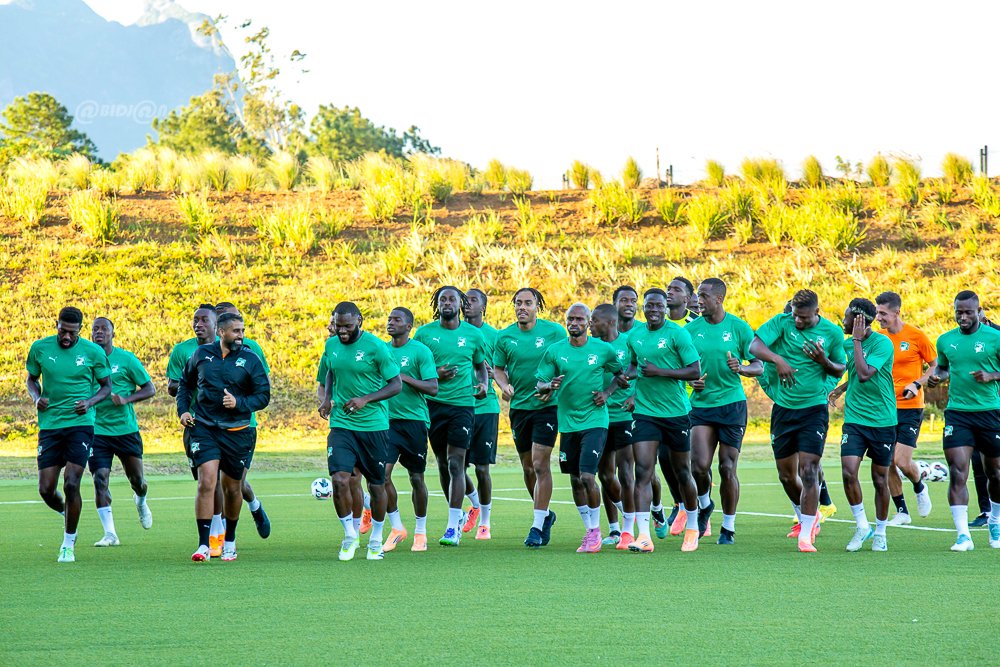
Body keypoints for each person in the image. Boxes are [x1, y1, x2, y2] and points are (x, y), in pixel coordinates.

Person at [750, 289, 846, 552]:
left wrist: (823, 360)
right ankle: (810, 515)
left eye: (803, 317)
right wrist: (778, 359)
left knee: (809, 470)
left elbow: (841, 367)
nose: (798, 321)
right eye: (795, 315)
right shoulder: (782, 323)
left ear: (817, 312)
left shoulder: (832, 333)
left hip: (813, 410)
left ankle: (806, 533)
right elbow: (754, 346)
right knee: (786, 475)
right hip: (784, 410)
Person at [176, 312, 270, 562]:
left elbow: (263, 396)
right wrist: (183, 410)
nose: (241, 335)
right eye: (236, 331)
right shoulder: (201, 354)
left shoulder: (251, 359)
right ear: (221, 332)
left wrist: (239, 403)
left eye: (242, 330)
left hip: (237, 431)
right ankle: (203, 545)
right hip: (204, 428)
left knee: (232, 488)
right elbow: (185, 384)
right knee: (206, 482)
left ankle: (229, 540)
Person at [535, 303, 628, 552]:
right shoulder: (555, 351)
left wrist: (607, 393)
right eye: (570, 319)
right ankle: (591, 530)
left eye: (579, 319)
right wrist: (549, 386)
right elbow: (540, 384)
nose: (574, 323)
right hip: (568, 424)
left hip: (595, 421)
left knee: (588, 476)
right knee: (576, 480)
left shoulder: (603, 349)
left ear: (589, 322)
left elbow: (621, 376)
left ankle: (603, 531)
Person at [26, 306, 112, 562]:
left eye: (72, 333)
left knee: (72, 482)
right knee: (46, 489)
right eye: (62, 331)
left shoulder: (93, 352)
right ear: (57, 325)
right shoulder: (40, 348)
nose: (66, 336)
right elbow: (31, 379)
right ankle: (68, 512)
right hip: (50, 425)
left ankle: (68, 543)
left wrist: (90, 402)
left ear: (80, 330)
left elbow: (106, 387)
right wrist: (36, 397)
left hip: (80, 424)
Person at [318, 302, 401, 561]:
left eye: (347, 326)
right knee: (340, 479)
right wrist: (327, 398)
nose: (342, 331)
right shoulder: (331, 345)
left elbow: (396, 385)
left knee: (376, 485)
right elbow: (330, 372)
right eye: (338, 326)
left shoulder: (375, 347)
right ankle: (349, 536)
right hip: (342, 424)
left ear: (359, 321)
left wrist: (366, 399)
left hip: (373, 426)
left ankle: (376, 539)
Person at [624, 289, 702, 553]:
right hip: (646, 413)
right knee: (643, 471)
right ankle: (644, 536)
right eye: (649, 306)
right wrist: (624, 376)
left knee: (682, 472)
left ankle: (693, 527)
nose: (654, 310)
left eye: (659, 305)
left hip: (676, 413)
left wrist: (660, 372)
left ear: (665, 308)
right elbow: (634, 366)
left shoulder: (678, 334)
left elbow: (695, 370)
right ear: (643, 308)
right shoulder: (635, 336)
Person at [686, 279, 762, 545]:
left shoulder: (738, 327)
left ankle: (728, 527)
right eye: (698, 295)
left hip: (731, 405)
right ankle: (705, 504)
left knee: (727, 467)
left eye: (704, 296)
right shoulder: (690, 330)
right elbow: (684, 369)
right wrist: (692, 381)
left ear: (719, 299)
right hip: (701, 405)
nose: (699, 300)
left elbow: (759, 365)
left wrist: (742, 368)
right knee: (698, 466)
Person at [413, 287, 488, 546]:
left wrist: (483, 384)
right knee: (443, 464)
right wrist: (435, 373)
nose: (447, 303)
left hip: (462, 406)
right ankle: (458, 516)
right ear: (437, 304)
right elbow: (413, 367)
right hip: (432, 406)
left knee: (457, 464)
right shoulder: (424, 334)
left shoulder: (473, 335)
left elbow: (480, 366)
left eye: (451, 299)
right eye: (442, 299)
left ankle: (451, 527)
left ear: (460, 304)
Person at [493, 288, 568, 548]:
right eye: (518, 303)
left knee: (539, 464)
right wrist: (504, 385)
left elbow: (566, 362)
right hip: (520, 408)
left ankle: (536, 526)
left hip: (547, 406)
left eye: (528, 303)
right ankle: (545, 515)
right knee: (527, 468)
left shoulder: (554, 332)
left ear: (538, 306)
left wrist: (553, 387)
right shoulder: (504, 336)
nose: (522, 307)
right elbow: (498, 369)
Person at [926, 291, 1000, 551]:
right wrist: (937, 376)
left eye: (969, 312)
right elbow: (944, 367)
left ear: (979, 311)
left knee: (996, 473)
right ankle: (963, 536)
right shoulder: (945, 340)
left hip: (990, 412)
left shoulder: (995, 337)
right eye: (959, 312)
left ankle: (995, 520)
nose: (963, 317)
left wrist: (992, 375)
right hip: (958, 413)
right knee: (958, 471)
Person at [89, 317, 156, 547]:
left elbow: (149, 389)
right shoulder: (86, 361)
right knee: (100, 479)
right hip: (97, 430)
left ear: (112, 334)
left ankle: (141, 500)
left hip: (125, 430)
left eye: (104, 329)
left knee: (137, 480)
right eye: (95, 329)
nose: (99, 332)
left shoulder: (126, 359)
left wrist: (126, 399)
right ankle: (110, 534)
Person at [837, 299, 897, 552]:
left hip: (882, 420)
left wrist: (857, 341)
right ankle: (862, 526)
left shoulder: (882, 343)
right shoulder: (846, 343)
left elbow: (864, 374)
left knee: (879, 479)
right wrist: (840, 389)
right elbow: (854, 374)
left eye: (847, 317)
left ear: (859, 321)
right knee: (848, 471)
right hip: (855, 419)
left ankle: (880, 532)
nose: (843, 321)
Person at [167, 304, 227, 555]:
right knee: (206, 480)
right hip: (197, 423)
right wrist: (193, 381)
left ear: (216, 325)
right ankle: (215, 531)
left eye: (204, 320)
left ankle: (218, 532)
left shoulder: (230, 349)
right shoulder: (183, 351)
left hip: (226, 424)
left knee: (220, 479)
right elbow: (173, 386)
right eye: (195, 320)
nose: (198, 324)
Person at [871, 291, 936, 525]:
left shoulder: (916, 336)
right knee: (886, 460)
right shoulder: (878, 338)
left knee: (901, 461)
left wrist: (917, 383)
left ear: (897, 312)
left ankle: (919, 486)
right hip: (885, 408)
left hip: (910, 407)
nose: (878, 318)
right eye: (877, 313)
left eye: (883, 313)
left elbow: (935, 366)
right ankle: (902, 512)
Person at [215, 303, 272, 539]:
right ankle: (219, 536)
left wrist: (239, 401)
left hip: (242, 425)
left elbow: (263, 386)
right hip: (210, 427)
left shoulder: (250, 348)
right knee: (213, 482)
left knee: (234, 483)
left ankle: (254, 506)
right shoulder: (203, 351)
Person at [383, 307, 438, 552]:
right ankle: (397, 527)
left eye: (397, 319)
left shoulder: (420, 351)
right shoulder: (382, 350)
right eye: (389, 319)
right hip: (387, 422)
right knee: (381, 476)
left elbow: (433, 387)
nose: (390, 322)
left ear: (408, 326)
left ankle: (420, 532)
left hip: (414, 422)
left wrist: (404, 378)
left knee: (416, 478)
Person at [591, 301, 635, 548]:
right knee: (605, 475)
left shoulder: (629, 343)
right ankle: (615, 527)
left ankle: (628, 529)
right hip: (600, 418)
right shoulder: (592, 346)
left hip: (625, 416)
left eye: (594, 320)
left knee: (626, 472)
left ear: (609, 322)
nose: (590, 324)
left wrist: (634, 396)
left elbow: (640, 373)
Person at [661, 276, 699, 536]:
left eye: (676, 289)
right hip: (662, 402)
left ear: (688, 297)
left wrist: (701, 380)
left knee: (693, 462)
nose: (669, 292)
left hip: (693, 403)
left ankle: (699, 506)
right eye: (668, 288)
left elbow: (705, 357)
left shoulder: (695, 324)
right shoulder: (655, 324)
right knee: (664, 457)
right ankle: (680, 504)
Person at [462, 288, 500, 539]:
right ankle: (474, 504)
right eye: (464, 300)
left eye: (473, 300)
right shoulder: (454, 333)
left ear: (483, 307)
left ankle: (485, 522)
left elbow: (505, 372)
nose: (467, 304)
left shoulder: (495, 336)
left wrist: (493, 373)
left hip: (486, 408)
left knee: (482, 469)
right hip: (458, 407)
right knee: (454, 467)